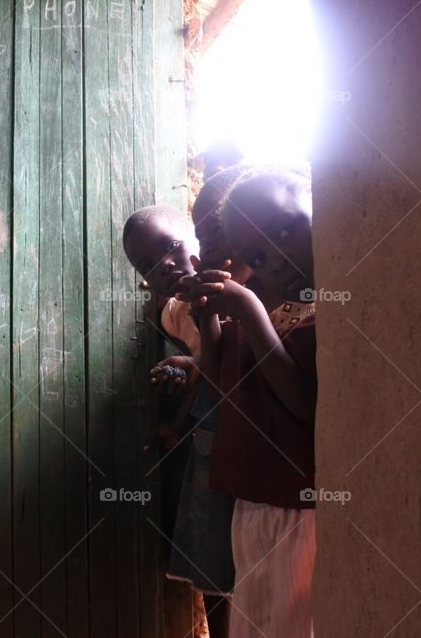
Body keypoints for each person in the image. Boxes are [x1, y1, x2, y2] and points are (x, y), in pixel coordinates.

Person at [179, 166, 317, 638]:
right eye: (257, 254)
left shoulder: (326, 310)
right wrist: (209, 320)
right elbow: (222, 393)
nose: (275, 258)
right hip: (252, 503)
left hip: (301, 507)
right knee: (257, 624)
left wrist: (249, 310)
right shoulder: (274, 308)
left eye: (283, 229)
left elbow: (301, 401)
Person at [122, 204, 234, 638]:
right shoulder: (172, 312)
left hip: (251, 431)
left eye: (170, 248)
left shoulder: (225, 286)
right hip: (213, 436)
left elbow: (222, 360)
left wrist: (195, 363)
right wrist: (176, 426)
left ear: (195, 240)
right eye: (148, 265)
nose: (164, 265)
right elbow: (204, 373)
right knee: (214, 558)